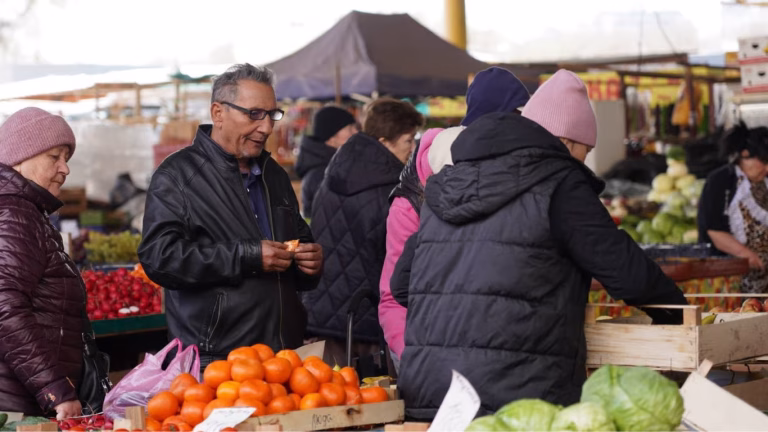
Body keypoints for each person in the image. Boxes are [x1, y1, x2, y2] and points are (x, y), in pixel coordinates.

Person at [393, 70, 688, 419]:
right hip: (518, 396)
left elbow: (402, 285)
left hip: (431, 392)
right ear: (566, 142)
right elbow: (627, 272)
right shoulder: (561, 183)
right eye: (586, 149)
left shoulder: (446, 183)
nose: (585, 160)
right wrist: (679, 314)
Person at [138, 64, 324, 369]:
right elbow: (160, 259)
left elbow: (298, 239)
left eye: (271, 115)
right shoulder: (178, 176)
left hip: (282, 359)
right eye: (254, 114)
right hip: (218, 363)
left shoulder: (274, 175)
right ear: (218, 113)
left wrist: (309, 263)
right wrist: (248, 256)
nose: (266, 127)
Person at [378, 67, 531, 371]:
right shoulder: (409, 203)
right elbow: (394, 295)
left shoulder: (499, 180)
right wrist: (413, 355)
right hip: (422, 347)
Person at [304, 98, 424, 368]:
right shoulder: (388, 188)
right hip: (367, 316)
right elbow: (393, 260)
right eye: (408, 140)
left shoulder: (333, 173)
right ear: (384, 142)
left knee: (333, 391)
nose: (412, 148)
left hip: (325, 313)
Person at [0, 107, 84, 418]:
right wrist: (54, 389)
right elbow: (6, 307)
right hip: (18, 404)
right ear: (19, 159)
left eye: (67, 157)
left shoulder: (23, 211)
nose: (65, 168)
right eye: (54, 157)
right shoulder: (16, 214)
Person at [698, 123, 768, 293]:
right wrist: (747, 254)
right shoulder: (720, 181)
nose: (767, 169)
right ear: (745, 155)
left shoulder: (764, 180)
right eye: (764, 162)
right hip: (730, 275)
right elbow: (715, 231)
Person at [295, 106, 358, 217]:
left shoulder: (335, 165)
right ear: (331, 137)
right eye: (350, 128)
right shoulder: (320, 175)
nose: (356, 132)